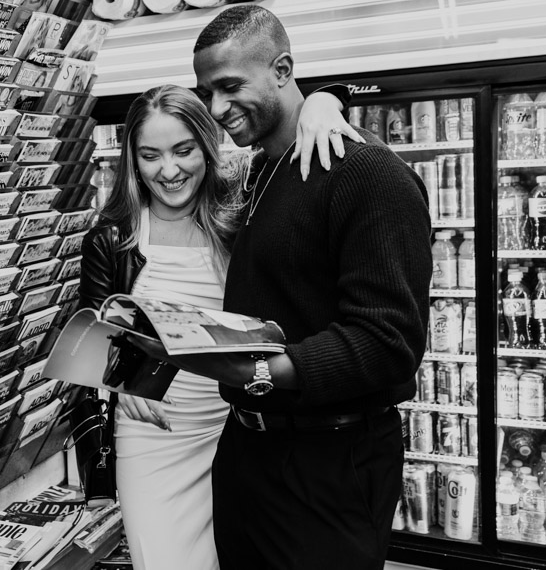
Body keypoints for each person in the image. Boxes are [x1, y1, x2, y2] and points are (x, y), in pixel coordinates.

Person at [129, 5, 431, 569]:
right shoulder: (264, 170)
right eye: (206, 93)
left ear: (283, 70)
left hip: (330, 461)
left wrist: (262, 370)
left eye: (229, 87)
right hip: (247, 450)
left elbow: (389, 341)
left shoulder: (371, 175)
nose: (217, 109)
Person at [78, 83, 355, 570]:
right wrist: (119, 377)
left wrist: (324, 101)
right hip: (153, 435)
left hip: (241, 429)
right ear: (133, 160)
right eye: (150, 155)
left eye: (183, 150)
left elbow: (298, 110)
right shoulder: (114, 236)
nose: (169, 170)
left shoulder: (242, 210)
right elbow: (92, 328)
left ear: (207, 146)